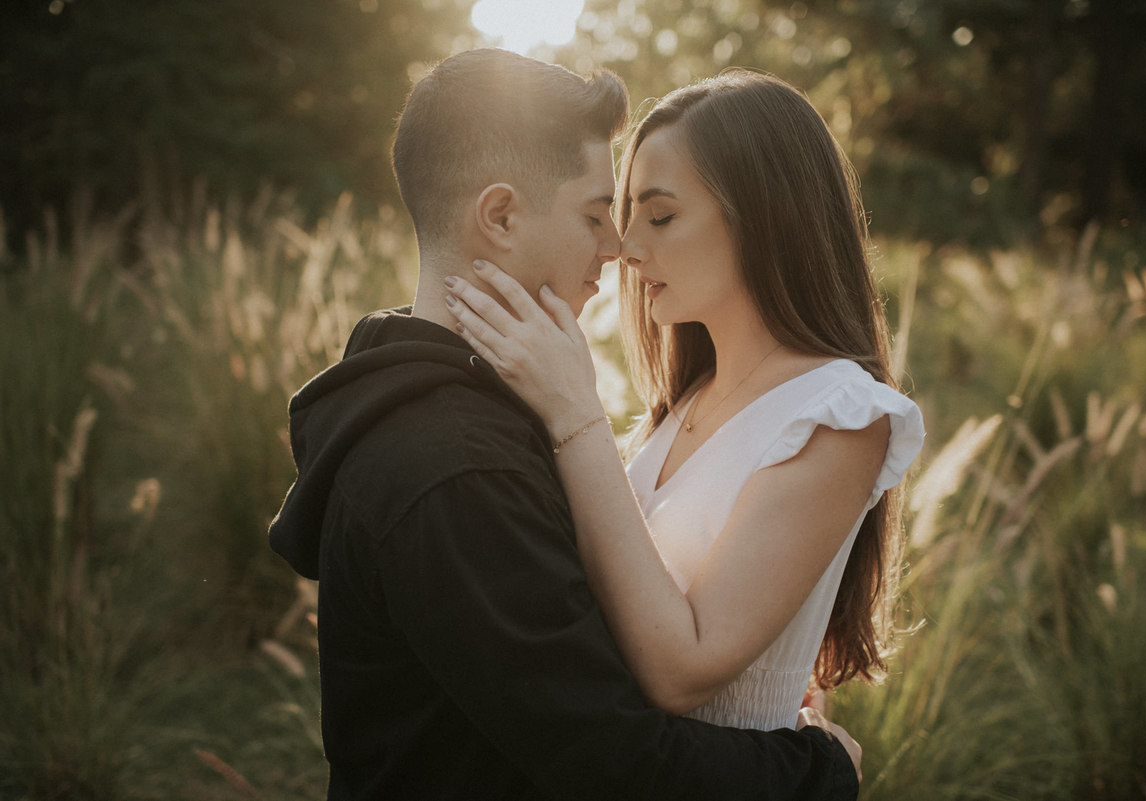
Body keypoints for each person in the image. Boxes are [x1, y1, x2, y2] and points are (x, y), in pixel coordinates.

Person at [268, 49, 861, 800]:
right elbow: (615, 762)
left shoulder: (476, 408)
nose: (617, 250)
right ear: (502, 216)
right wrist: (820, 770)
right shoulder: (457, 469)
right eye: (595, 215)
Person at [444, 70, 925, 733]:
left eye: (661, 215)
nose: (627, 249)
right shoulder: (684, 404)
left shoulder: (839, 415)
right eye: (623, 214)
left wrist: (575, 413)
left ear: (765, 217)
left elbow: (681, 670)